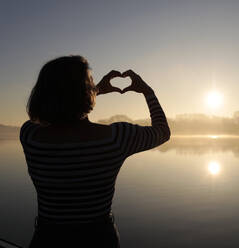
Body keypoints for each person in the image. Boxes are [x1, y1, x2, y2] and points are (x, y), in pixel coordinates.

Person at [19, 56, 171, 248]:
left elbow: (53, 112)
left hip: (47, 238)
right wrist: (148, 92)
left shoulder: (30, 136)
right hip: (98, 239)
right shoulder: (116, 138)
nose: (93, 86)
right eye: (90, 82)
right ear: (84, 92)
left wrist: (95, 90)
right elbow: (163, 132)